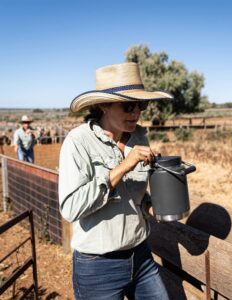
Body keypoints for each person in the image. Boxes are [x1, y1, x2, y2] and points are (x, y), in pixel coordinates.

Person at [59, 62, 173, 300]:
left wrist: (153, 205)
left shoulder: (140, 135)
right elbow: (71, 208)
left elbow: (133, 195)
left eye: (140, 105)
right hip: (98, 266)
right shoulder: (78, 142)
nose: (135, 113)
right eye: (128, 105)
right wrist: (124, 165)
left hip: (141, 256)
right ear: (103, 105)